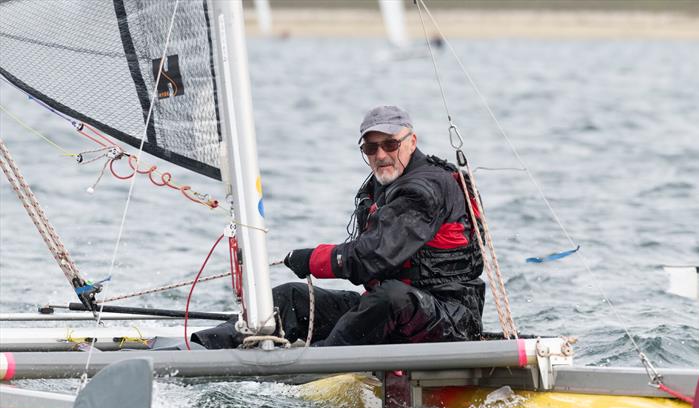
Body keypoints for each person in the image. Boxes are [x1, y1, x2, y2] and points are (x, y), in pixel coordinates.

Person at [194, 105, 484, 349]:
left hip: (449, 319)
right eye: (371, 147)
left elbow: (373, 256)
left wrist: (312, 259)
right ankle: (200, 348)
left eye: (390, 144)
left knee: (391, 298)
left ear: (412, 141)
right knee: (291, 297)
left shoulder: (424, 190)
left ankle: (319, 360)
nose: (381, 155)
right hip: (388, 313)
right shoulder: (385, 182)